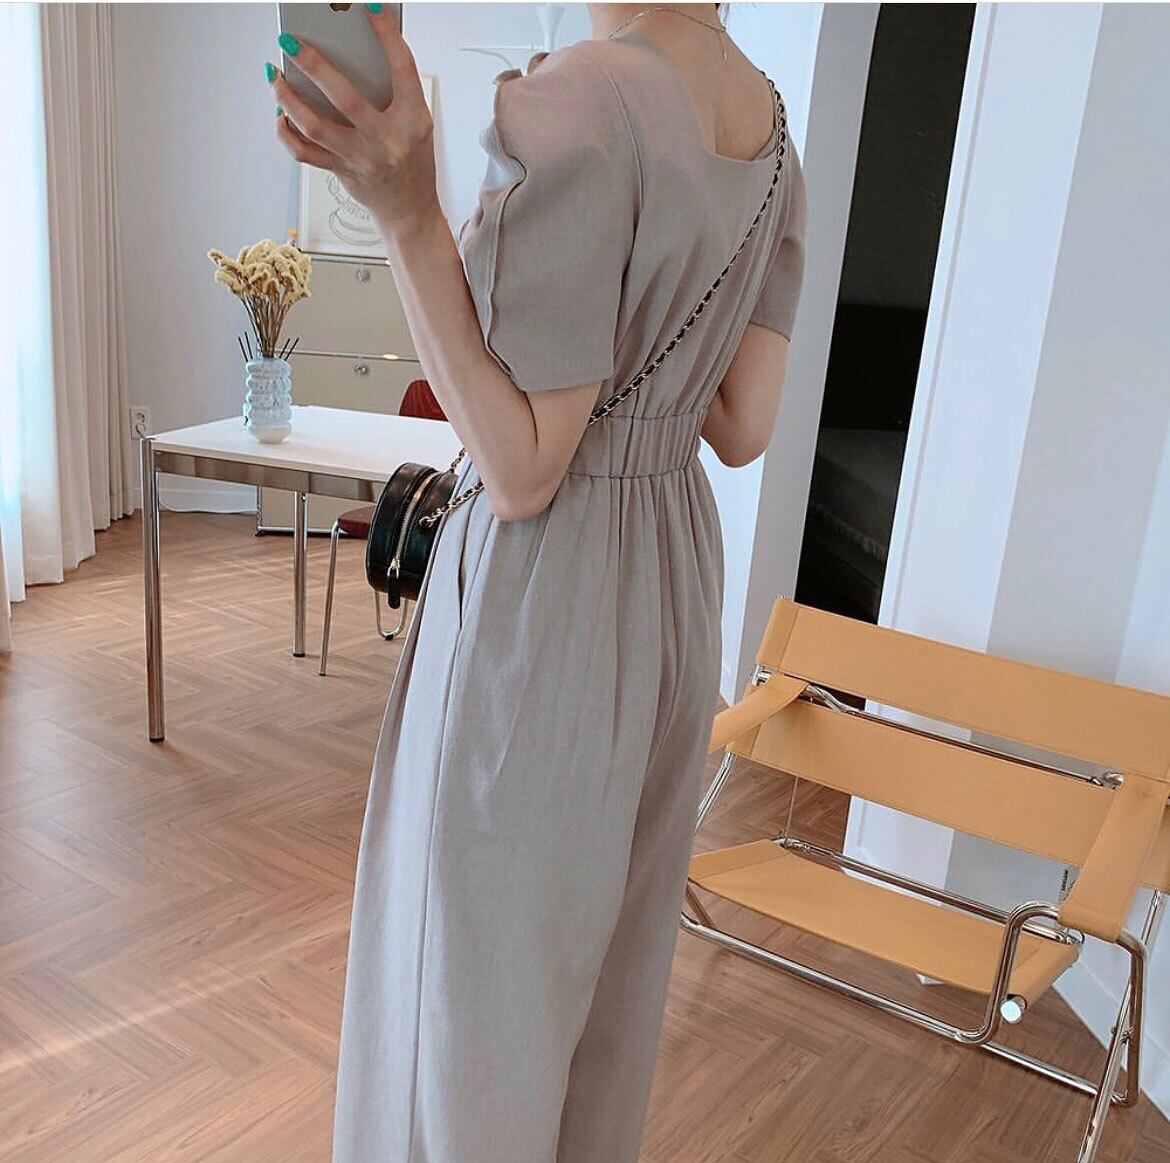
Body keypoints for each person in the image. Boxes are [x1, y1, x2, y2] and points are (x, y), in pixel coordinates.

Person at [269, 3, 805, 1159]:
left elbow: (520, 467)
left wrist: (405, 209)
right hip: (670, 572)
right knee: (605, 985)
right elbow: (744, 423)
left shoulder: (577, 98)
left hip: (545, 591)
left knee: (470, 996)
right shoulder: (769, 130)